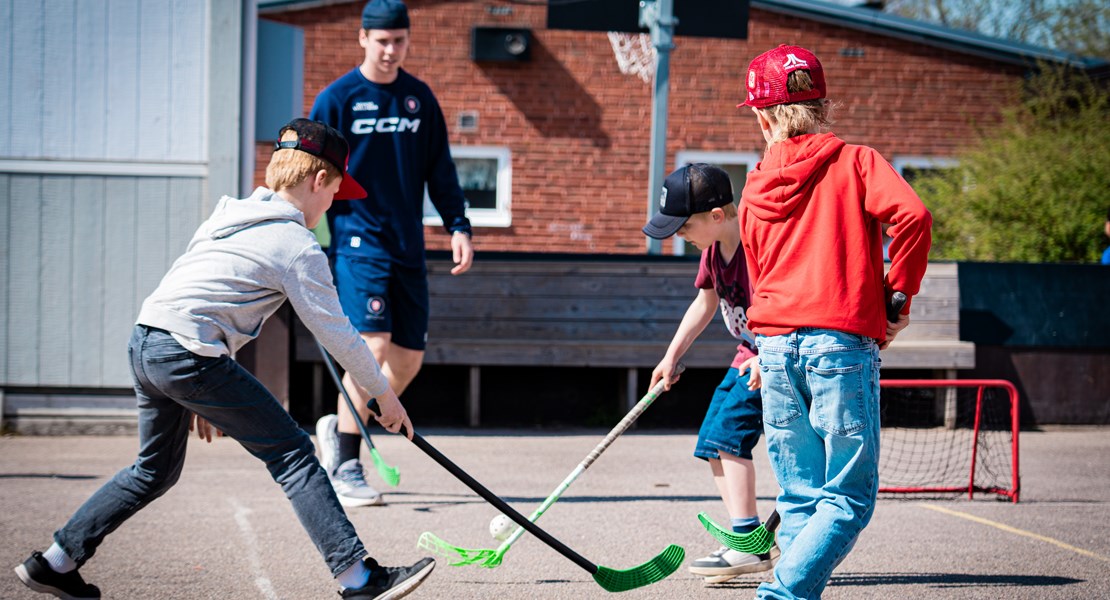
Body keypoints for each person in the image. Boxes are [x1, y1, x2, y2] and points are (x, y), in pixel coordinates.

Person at [13, 119, 435, 600]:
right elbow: (339, 335)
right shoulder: (297, 245)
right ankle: (358, 579)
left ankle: (54, 561)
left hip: (146, 341)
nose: (331, 207)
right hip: (187, 354)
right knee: (294, 454)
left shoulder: (225, 217)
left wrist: (203, 390)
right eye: (335, 193)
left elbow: (205, 295)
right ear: (319, 180)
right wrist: (384, 395)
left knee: (153, 470)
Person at [736, 45, 932, 599]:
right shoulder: (856, 162)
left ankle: (792, 592)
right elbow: (913, 217)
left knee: (800, 496)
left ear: (763, 113)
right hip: (839, 345)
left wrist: (765, 342)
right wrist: (898, 299)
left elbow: (760, 271)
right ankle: (781, 593)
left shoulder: (754, 186)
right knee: (847, 498)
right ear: (820, 104)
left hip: (774, 348)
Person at [308, 0, 474, 507]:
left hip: (408, 245)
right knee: (371, 351)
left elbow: (440, 171)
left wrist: (459, 225)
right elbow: (302, 168)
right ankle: (347, 465)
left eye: (398, 41)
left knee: (405, 361)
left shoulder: (418, 99)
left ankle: (339, 427)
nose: (390, 50)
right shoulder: (336, 100)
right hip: (358, 240)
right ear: (362, 38)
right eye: (381, 41)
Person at [643, 163, 779, 584]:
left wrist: (765, 355)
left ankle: (748, 541)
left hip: (770, 357)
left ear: (717, 217)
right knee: (711, 442)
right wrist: (671, 355)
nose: (679, 236)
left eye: (683, 228)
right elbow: (704, 304)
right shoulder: (711, 251)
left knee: (728, 438)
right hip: (747, 354)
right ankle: (748, 536)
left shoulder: (756, 249)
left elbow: (783, 306)